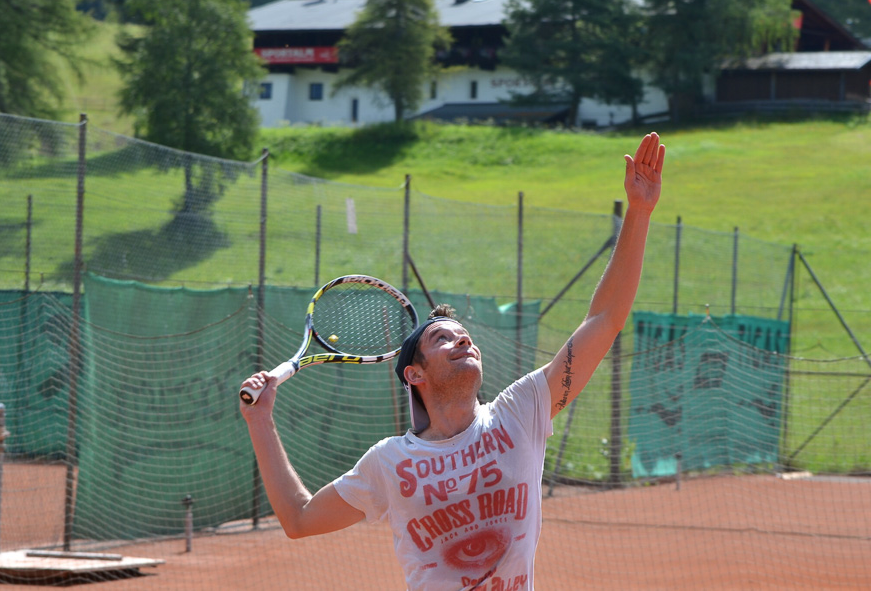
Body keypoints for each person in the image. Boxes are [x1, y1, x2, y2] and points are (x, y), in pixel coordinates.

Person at [240, 132, 666, 590]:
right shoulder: (390, 462)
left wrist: (639, 212)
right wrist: (259, 420)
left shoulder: (519, 412)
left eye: (465, 336)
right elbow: (299, 519)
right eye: (442, 338)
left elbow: (604, 319)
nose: (463, 340)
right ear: (414, 373)